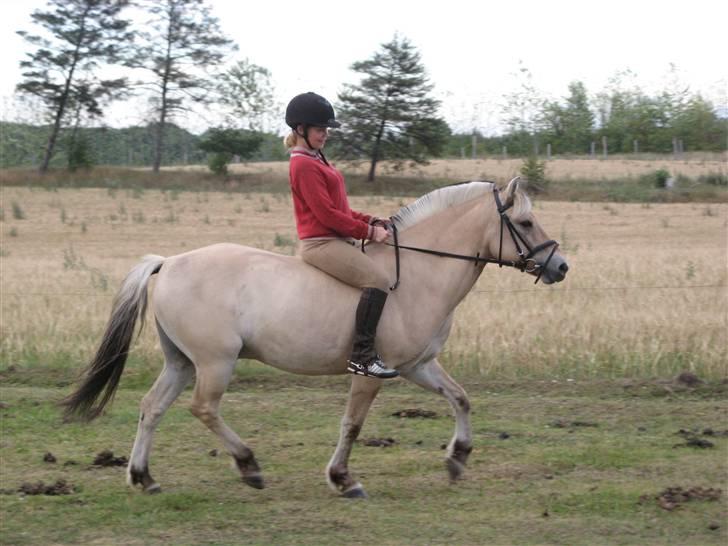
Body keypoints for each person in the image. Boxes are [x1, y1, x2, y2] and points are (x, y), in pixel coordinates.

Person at [284, 92, 398, 379]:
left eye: (326, 130)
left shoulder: (317, 159)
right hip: (321, 243)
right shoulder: (303, 164)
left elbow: (340, 209)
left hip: (336, 238)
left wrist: (370, 219)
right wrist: (369, 232)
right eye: (320, 129)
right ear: (301, 130)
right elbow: (327, 216)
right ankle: (362, 357)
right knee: (379, 280)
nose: (325, 135)